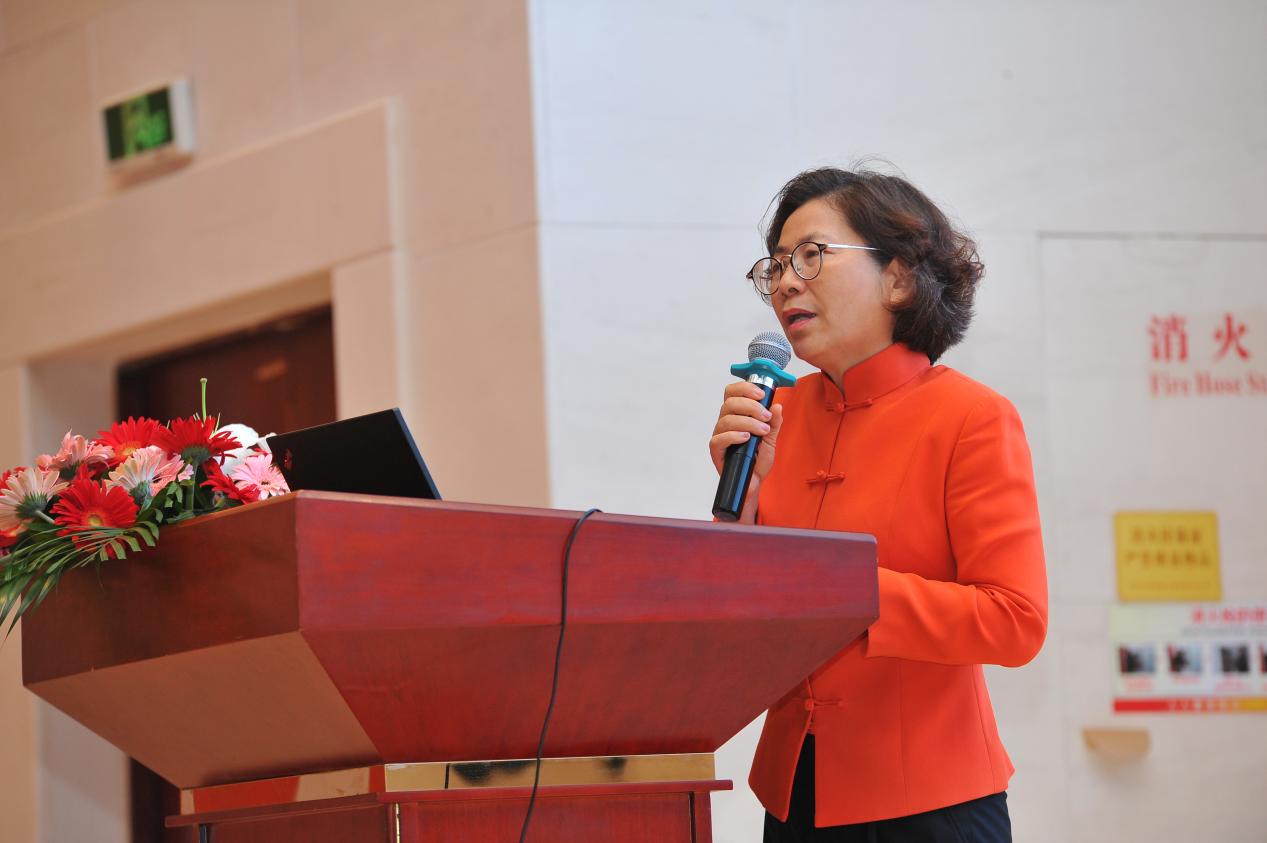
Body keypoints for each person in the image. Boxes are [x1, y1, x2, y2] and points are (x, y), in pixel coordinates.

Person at [709, 167, 1048, 842]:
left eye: (811, 255)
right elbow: (744, 620)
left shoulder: (971, 417)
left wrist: (843, 588)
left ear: (898, 277)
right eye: (775, 264)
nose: (784, 283)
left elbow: (1015, 619)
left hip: (930, 802)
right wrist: (738, 513)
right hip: (794, 795)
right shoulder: (775, 416)